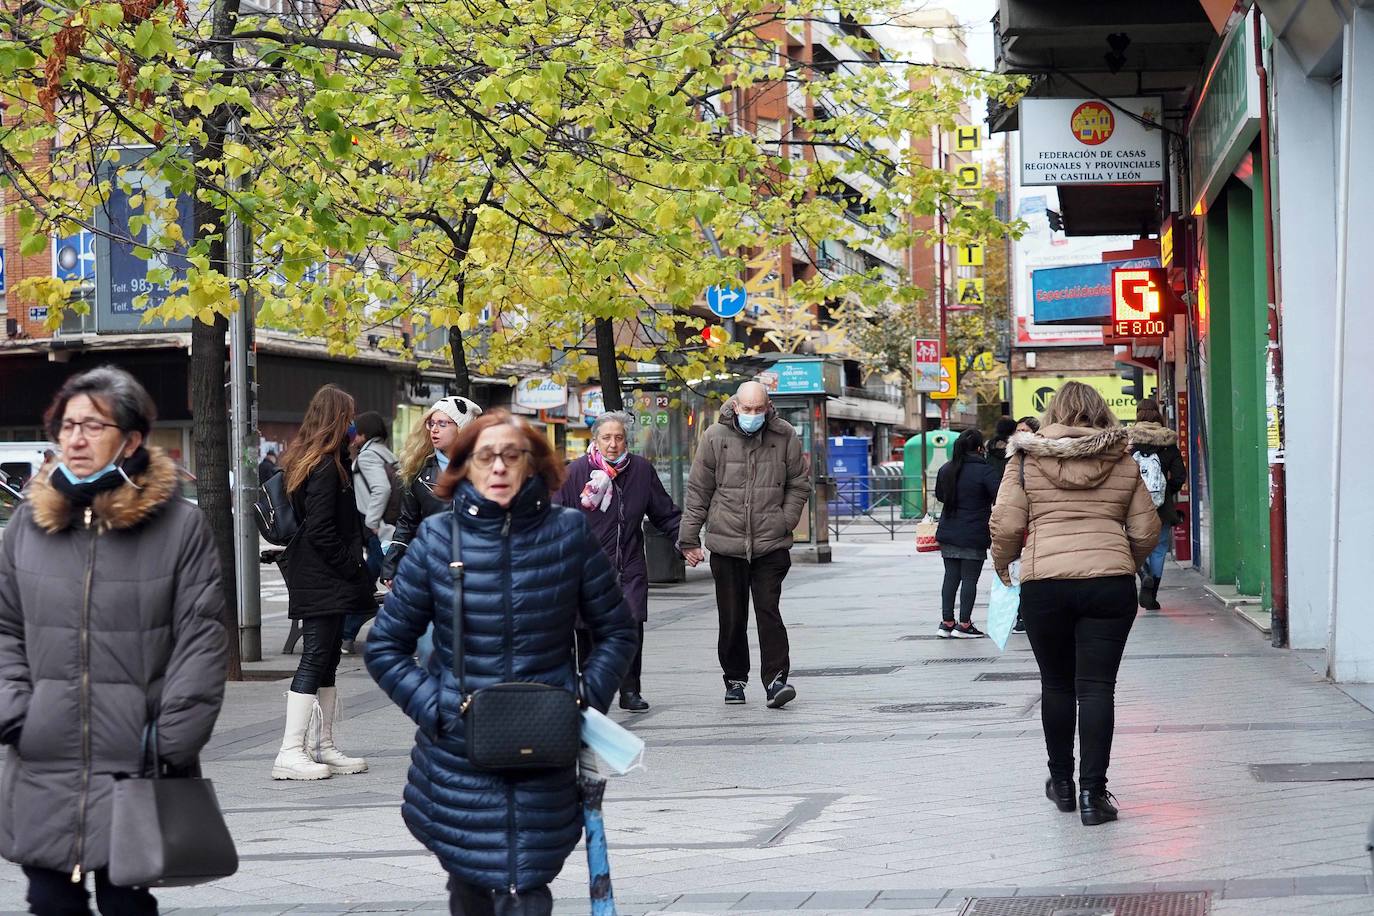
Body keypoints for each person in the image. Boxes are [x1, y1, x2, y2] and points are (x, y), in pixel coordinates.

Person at [365, 410, 635, 915]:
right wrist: (437, 708)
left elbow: (617, 630)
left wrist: (581, 699)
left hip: (544, 749)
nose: (499, 468)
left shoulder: (569, 534)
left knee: (528, 888)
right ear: (464, 465)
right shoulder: (436, 540)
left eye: (513, 456)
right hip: (458, 756)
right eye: (485, 456)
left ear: (533, 465)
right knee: (469, 885)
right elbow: (384, 646)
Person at [0, 366, 228, 913]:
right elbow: (4, 628)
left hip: (138, 758)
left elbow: (202, 639)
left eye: (94, 426)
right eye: (68, 425)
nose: (76, 438)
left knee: (128, 901)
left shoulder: (179, 527)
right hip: (44, 757)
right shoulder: (27, 525)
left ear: (131, 440)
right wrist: (16, 714)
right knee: (51, 901)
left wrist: (168, 740)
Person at [991, 381, 1160, 826]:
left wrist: (1003, 563)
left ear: (1053, 413)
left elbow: (1007, 522)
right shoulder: (1120, 459)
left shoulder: (1026, 458)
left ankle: (1061, 783)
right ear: (1101, 411)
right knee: (1097, 687)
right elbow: (1146, 531)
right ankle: (1092, 795)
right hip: (1109, 584)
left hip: (1045, 584)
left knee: (1057, 685)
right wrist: (1122, 560)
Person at [679, 381, 812, 708]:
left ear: (768, 408)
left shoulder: (785, 436)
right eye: (747, 409)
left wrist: (785, 520)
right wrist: (688, 538)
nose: (752, 415)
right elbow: (699, 491)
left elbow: (799, 484)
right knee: (732, 616)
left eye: (759, 409)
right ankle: (735, 679)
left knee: (769, 612)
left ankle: (776, 680)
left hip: (770, 543)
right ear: (735, 406)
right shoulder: (714, 437)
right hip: (727, 543)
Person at [273, 385, 376, 781]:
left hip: (319, 574)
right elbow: (321, 529)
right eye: (349, 417)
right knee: (316, 656)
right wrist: (353, 567)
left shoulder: (310, 459)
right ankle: (290, 750)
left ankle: (323, 746)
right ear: (336, 420)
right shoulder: (324, 467)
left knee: (328, 658)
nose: (353, 424)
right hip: (322, 576)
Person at [557, 410, 683, 712]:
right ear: (595, 439)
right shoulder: (574, 473)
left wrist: (685, 541)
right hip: (586, 569)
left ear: (627, 441)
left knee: (630, 626)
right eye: (606, 438)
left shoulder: (640, 470)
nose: (613, 444)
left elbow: (664, 512)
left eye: (619, 438)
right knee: (586, 630)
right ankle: (590, 689)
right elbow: (554, 518)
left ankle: (630, 690)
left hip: (629, 564)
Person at [381, 396, 483, 584]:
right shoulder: (418, 472)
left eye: (443, 424)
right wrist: (392, 565)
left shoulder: (485, 469)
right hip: (434, 566)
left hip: (478, 565)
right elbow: (407, 523)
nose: (434, 430)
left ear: (462, 429)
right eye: (432, 423)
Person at [933, 428, 1000, 639]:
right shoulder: (985, 470)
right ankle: (964, 624)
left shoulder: (946, 469)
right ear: (980, 448)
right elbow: (998, 495)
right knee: (970, 579)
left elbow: (940, 496)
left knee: (950, 577)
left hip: (949, 530)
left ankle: (946, 622)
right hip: (974, 532)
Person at [342, 411, 398, 654]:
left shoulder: (367, 457)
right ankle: (346, 634)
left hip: (377, 530)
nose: (352, 435)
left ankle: (346, 634)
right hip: (386, 529)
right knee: (368, 581)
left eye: (356, 431)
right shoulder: (387, 454)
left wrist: (373, 521)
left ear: (363, 434)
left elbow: (381, 489)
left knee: (378, 582)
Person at [1128, 400, 1187, 611]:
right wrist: (1165, 491)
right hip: (1161, 506)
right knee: (1159, 548)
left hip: (1133, 506)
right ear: (1158, 415)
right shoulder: (1168, 443)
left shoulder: (1129, 443)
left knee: (1133, 544)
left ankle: (1143, 575)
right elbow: (1180, 476)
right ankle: (1151, 595)